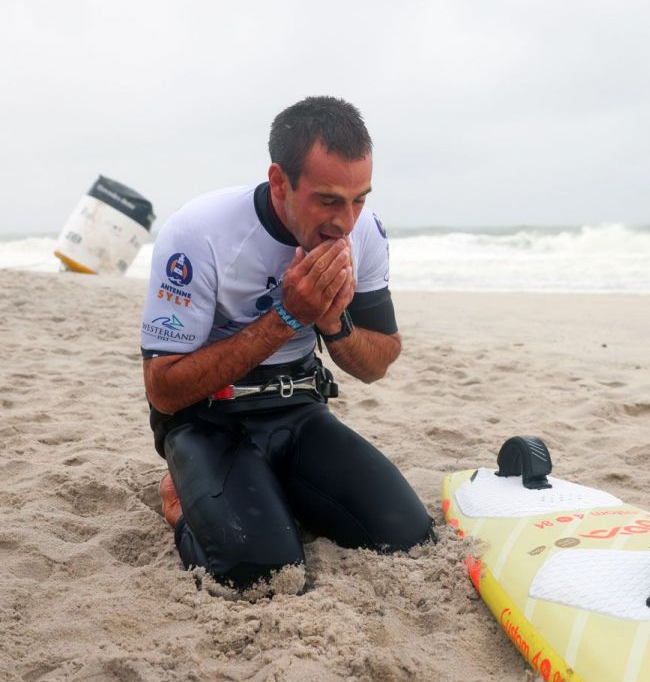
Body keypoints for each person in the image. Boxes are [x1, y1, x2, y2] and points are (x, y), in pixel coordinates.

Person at [140, 96, 433, 590]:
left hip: (298, 408)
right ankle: (178, 500)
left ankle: (274, 493)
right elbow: (164, 390)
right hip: (208, 418)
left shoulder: (365, 236)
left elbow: (379, 361)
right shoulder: (200, 232)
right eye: (328, 199)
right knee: (260, 577)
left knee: (407, 537)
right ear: (280, 182)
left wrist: (335, 324)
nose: (346, 221)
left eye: (359, 198)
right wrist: (286, 316)